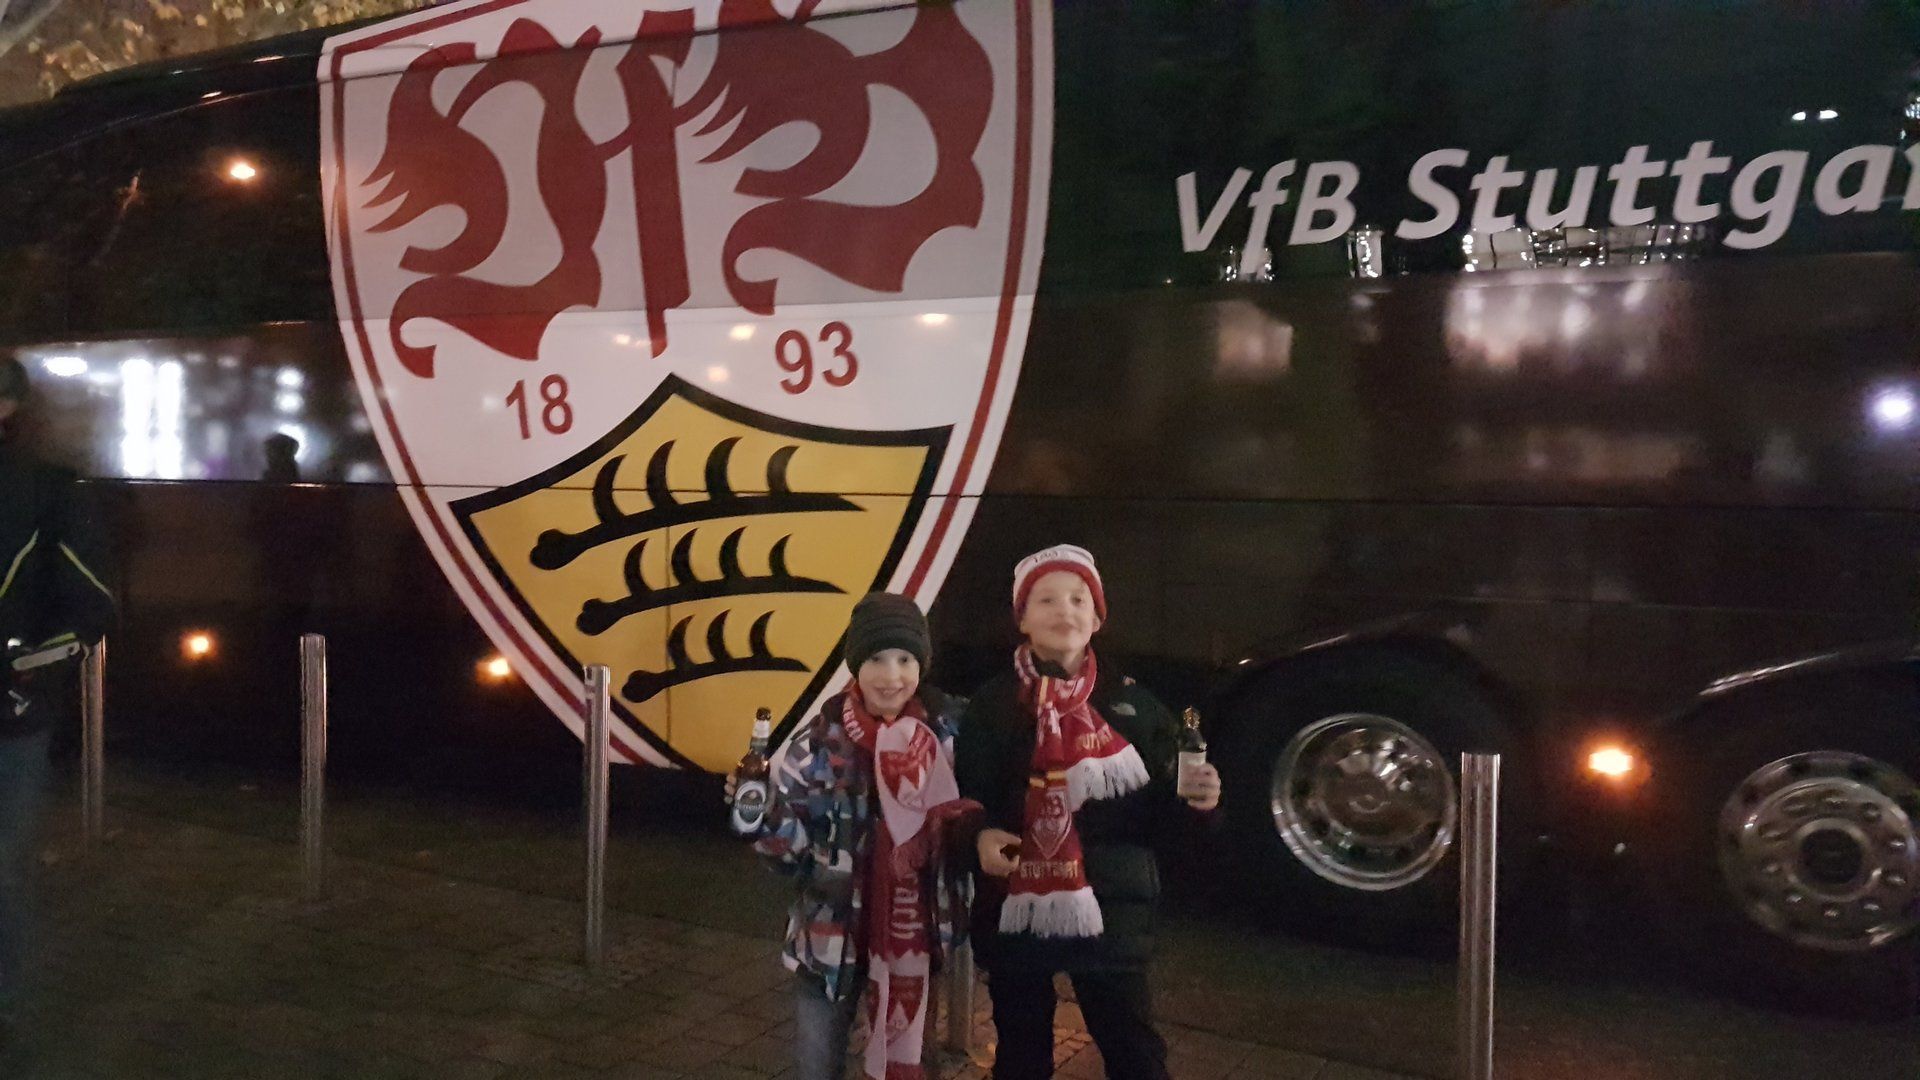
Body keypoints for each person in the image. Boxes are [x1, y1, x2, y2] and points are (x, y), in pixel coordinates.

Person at [955, 544, 1220, 1080]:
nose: (1064, 610)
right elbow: (965, 795)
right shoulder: (993, 704)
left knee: (1133, 1050)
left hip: (1112, 909)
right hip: (1017, 906)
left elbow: (1166, 815)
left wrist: (1201, 803)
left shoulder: (1135, 707)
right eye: (1046, 600)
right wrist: (979, 835)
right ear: (1023, 620)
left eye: (1079, 599)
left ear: (1097, 619)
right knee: (1021, 1052)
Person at [730, 592, 980, 1080]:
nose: (891, 675)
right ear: (855, 665)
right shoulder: (816, 746)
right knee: (816, 1065)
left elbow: (968, 831)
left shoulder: (946, 742)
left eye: (905, 659)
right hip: (829, 942)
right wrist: (766, 817)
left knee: (907, 1063)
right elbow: (790, 860)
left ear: (923, 665)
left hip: (912, 940)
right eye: (876, 659)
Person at [0, 355, 115, 1046]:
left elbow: (93, 605)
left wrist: (22, 667)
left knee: (3, 872)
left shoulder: (49, 491)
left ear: (8, 407)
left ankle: (7, 1002)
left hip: (9, 718)